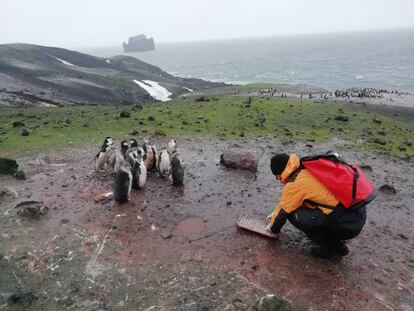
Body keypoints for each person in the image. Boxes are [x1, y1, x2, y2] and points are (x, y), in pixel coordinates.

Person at [266, 153, 367, 259]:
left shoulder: (295, 184)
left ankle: (334, 249)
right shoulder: (307, 168)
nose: (279, 180)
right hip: (356, 214)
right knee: (302, 209)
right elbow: (290, 202)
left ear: (281, 172)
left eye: (277, 177)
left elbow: (284, 211)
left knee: (294, 215)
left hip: (348, 224)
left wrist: (272, 229)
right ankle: (333, 237)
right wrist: (274, 214)